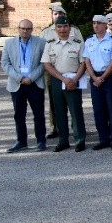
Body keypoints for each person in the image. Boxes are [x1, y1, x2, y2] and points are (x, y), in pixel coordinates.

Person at [41, 14, 87, 152]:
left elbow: (83, 63)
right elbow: (46, 64)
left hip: (74, 80)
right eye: (59, 27)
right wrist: (63, 79)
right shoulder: (50, 44)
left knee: (76, 111)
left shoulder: (78, 43)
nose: (62, 29)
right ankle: (63, 140)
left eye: (65, 26)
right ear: (55, 29)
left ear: (70, 28)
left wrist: (74, 80)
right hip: (57, 80)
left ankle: (80, 140)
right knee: (59, 111)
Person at [2, 18, 47, 152]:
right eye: (22, 28)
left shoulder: (41, 43)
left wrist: (31, 78)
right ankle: (21, 141)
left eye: (28, 29)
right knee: (19, 114)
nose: (25, 31)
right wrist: (20, 78)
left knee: (38, 113)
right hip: (17, 83)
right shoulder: (8, 43)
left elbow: (44, 63)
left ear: (32, 30)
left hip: (35, 83)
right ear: (18, 29)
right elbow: (5, 64)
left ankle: (41, 141)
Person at [82, 14, 112, 150]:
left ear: (105, 25)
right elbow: (87, 60)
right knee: (98, 110)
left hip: (109, 78)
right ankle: (103, 138)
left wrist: (102, 77)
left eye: (99, 23)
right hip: (95, 78)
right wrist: (94, 77)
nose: (96, 26)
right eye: (94, 23)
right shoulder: (89, 41)